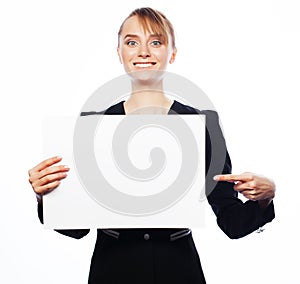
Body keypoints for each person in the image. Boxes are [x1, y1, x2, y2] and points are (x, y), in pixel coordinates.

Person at [28, 7, 275, 284]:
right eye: (132, 42)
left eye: (156, 42)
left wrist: (265, 198)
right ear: (119, 52)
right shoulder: (93, 126)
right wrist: (45, 196)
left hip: (179, 268)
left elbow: (232, 222)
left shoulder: (201, 123)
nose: (143, 51)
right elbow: (78, 228)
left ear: (172, 53)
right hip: (112, 268)